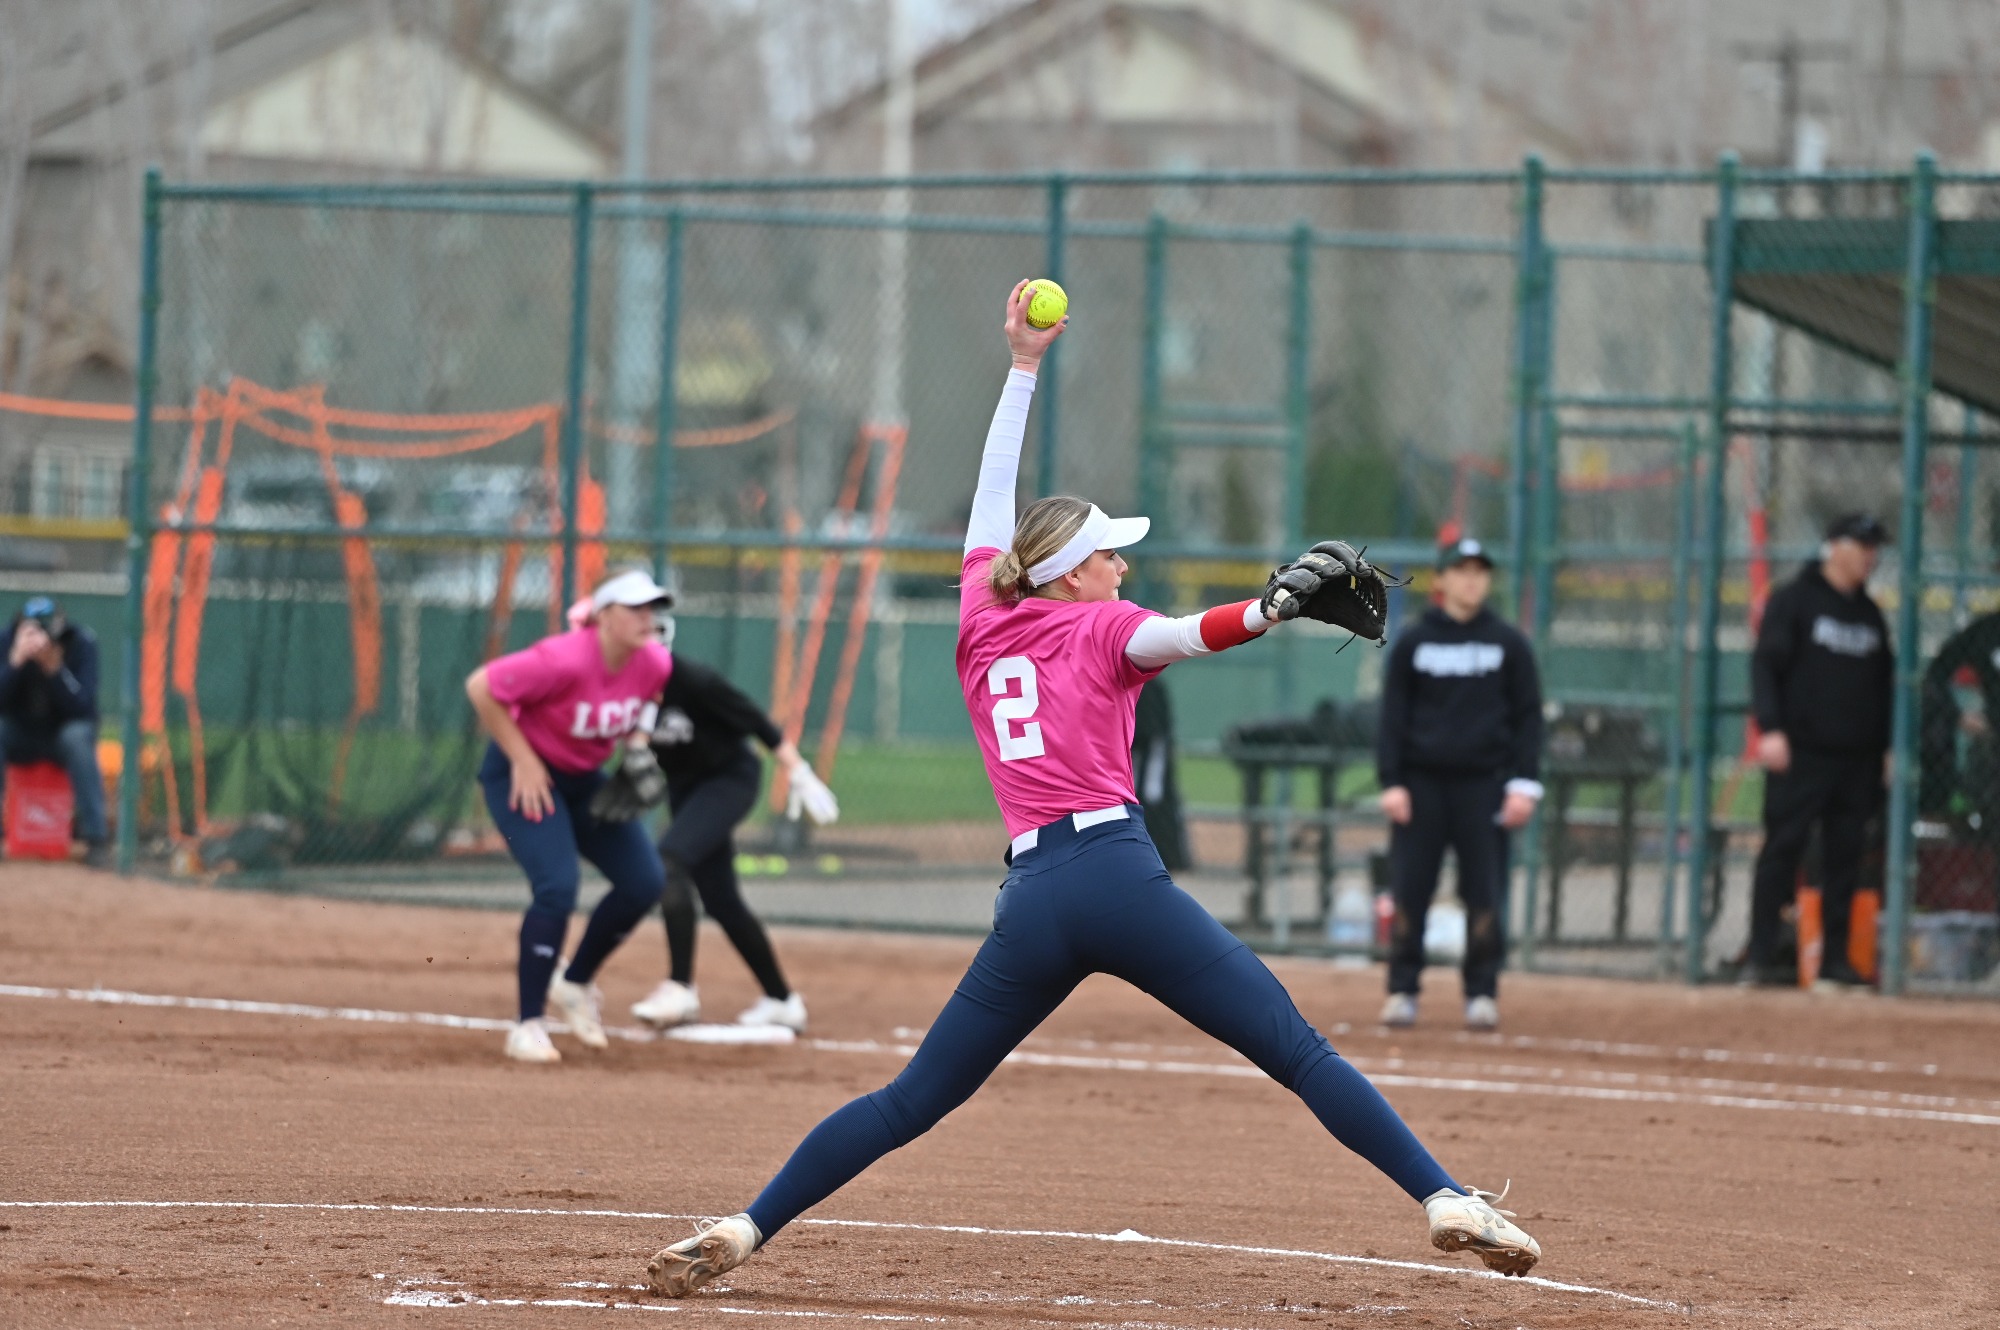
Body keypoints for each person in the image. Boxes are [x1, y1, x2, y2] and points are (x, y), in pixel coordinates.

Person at [642, 280, 1541, 1299]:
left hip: (1031, 901)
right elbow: (1184, 634)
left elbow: (994, 499)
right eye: (1108, 551)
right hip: (1116, 878)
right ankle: (1443, 1196)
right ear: (1070, 573)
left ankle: (748, 1222)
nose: (1121, 562)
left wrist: (1020, 364)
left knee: (909, 1099)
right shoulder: (1103, 625)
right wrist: (1271, 607)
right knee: (1291, 1046)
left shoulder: (981, 621)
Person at [465, 567, 677, 1064]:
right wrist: (522, 758)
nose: (648, 618)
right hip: (521, 774)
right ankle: (527, 1024)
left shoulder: (653, 663)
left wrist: (638, 748)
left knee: (644, 881)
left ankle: (575, 983)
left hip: (582, 781)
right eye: (635, 609)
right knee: (558, 887)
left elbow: (650, 699)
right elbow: (482, 687)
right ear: (604, 617)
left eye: (653, 608)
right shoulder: (562, 659)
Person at [626, 622, 838, 1034]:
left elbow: (757, 721)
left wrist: (798, 771)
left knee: (668, 861)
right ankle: (782, 1000)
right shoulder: (619, 688)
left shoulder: (694, 679)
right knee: (721, 899)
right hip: (686, 789)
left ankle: (680, 987)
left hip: (729, 780)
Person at [1375, 538, 1543, 1032]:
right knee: (1411, 891)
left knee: (1485, 893)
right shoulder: (1413, 641)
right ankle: (1403, 990)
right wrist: (1392, 781)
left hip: (1484, 786)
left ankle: (1482, 992)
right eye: (1461, 570)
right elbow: (1393, 718)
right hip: (1421, 786)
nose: (1472, 580)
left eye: (1480, 571)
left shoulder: (1508, 643)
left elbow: (1528, 719)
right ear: (1442, 580)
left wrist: (1523, 785)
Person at [1742, 513, 1892, 992]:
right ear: (1834, 547)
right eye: (1861, 545)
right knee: (1782, 851)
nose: (1871, 556)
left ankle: (1834, 962)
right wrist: (1770, 729)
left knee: (1846, 859)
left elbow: (1884, 686)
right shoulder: (1795, 601)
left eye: (1875, 547)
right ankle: (1763, 957)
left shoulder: (1870, 613)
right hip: (1801, 752)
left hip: (1856, 759)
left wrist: (1885, 749)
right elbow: (1766, 666)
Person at [1, 596, 110, 867]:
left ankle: (95, 838)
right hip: (21, 734)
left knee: (77, 737)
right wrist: (15, 662)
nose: (41, 636)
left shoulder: (81, 643)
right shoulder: (7, 640)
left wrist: (54, 669)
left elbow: (83, 707)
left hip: (63, 735)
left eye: (46, 628)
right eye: (33, 629)